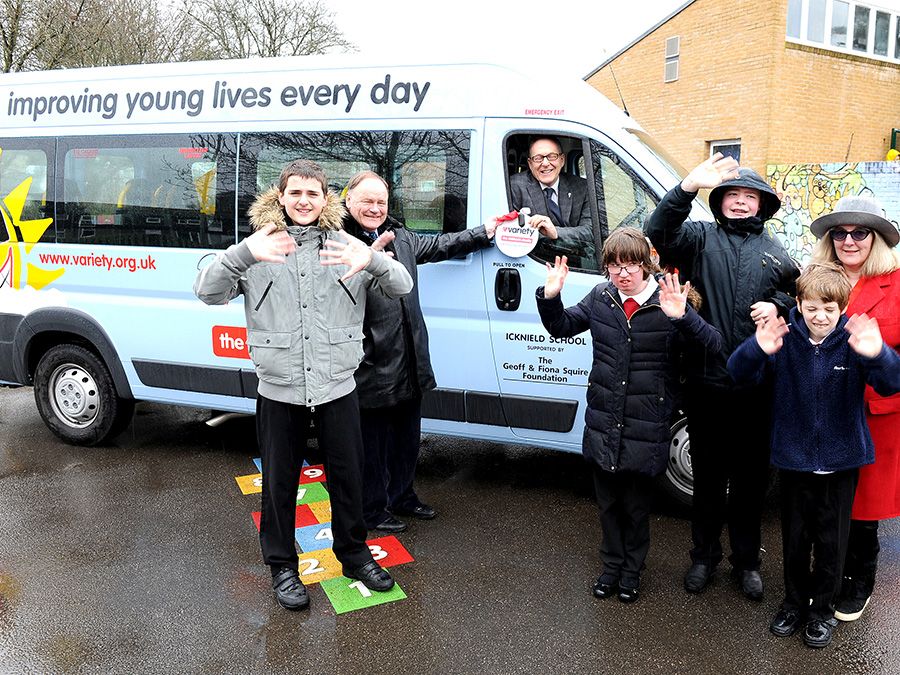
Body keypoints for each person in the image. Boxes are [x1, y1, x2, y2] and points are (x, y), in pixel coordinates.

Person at [193, 159, 413, 611]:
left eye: (313, 193)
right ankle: (283, 566)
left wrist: (371, 258)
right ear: (281, 196)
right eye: (295, 192)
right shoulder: (260, 246)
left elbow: (402, 286)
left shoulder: (346, 245)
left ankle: (353, 555)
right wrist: (243, 255)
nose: (304, 201)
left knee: (348, 477)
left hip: (338, 386)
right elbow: (207, 291)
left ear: (325, 198)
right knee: (278, 483)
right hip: (280, 387)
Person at [536, 227, 721, 603]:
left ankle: (632, 571)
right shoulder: (602, 297)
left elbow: (712, 345)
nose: (623, 273)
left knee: (636, 508)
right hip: (604, 421)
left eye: (632, 265)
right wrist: (550, 297)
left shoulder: (668, 301)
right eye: (615, 266)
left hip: (646, 425)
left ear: (647, 265)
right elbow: (561, 326)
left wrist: (683, 317)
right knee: (608, 506)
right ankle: (611, 567)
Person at [646, 153, 800, 600]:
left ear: (761, 205)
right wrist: (686, 188)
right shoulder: (698, 238)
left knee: (751, 482)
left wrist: (779, 306)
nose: (739, 202)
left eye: (748, 196)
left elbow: (797, 294)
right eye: (731, 195)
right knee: (708, 478)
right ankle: (703, 558)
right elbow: (658, 234)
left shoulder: (775, 251)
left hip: (756, 387)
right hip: (706, 383)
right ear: (720, 202)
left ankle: (747, 563)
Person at [727, 263, 900, 648]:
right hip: (794, 460)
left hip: (842, 463)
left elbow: (891, 383)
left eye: (829, 309)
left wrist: (878, 355)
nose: (820, 317)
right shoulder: (784, 339)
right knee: (795, 539)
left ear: (842, 307)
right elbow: (737, 373)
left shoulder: (854, 341)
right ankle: (793, 603)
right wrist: (756, 348)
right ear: (799, 304)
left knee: (832, 543)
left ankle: (822, 610)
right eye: (812, 308)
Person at [341, 171, 497, 533]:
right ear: (349, 201)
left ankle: (402, 496)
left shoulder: (402, 237)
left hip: (408, 358)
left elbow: (442, 244)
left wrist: (484, 231)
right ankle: (372, 510)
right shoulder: (339, 241)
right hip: (369, 362)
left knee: (406, 439)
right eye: (367, 201)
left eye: (381, 201)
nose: (375, 208)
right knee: (372, 447)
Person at [808, 194, 900, 623]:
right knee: (824, 499)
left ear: (876, 237)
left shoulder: (897, 283)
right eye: (840, 233)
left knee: (864, 504)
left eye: (859, 232)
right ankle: (824, 574)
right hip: (823, 408)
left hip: (874, 412)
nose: (849, 240)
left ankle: (858, 578)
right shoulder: (814, 276)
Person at [509, 136, 594, 262]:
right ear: (530, 163)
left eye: (552, 156)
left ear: (562, 160)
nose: (545, 163)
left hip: (578, 263)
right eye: (538, 158)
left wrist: (555, 233)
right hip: (536, 263)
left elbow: (591, 231)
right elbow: (512, 234)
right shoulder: (514, 186)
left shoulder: (582, 187)